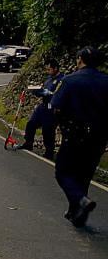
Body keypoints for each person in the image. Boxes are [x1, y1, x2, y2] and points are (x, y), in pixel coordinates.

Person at [51, 46, 108, 227]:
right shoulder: (106, 81)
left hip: (75, 134)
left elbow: (56, 107)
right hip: (99, 137)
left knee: (63, 172)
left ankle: (81, 201)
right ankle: (77, 213)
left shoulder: (70, 80)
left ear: (80, 60)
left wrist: (62, 126)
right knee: (84, 175)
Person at [19, 59, 64, 159]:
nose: (48, 72)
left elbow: (59, 94)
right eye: (47, 70)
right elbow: (43, 89)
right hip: (43, 105)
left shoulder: (62, 80)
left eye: (49, 69)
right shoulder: (48, 79)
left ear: (55, 68)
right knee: (31, 123)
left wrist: (49, 93)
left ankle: (49, 151)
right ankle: (28, 142)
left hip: (52, 107)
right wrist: (37, 91)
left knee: (48, 129)